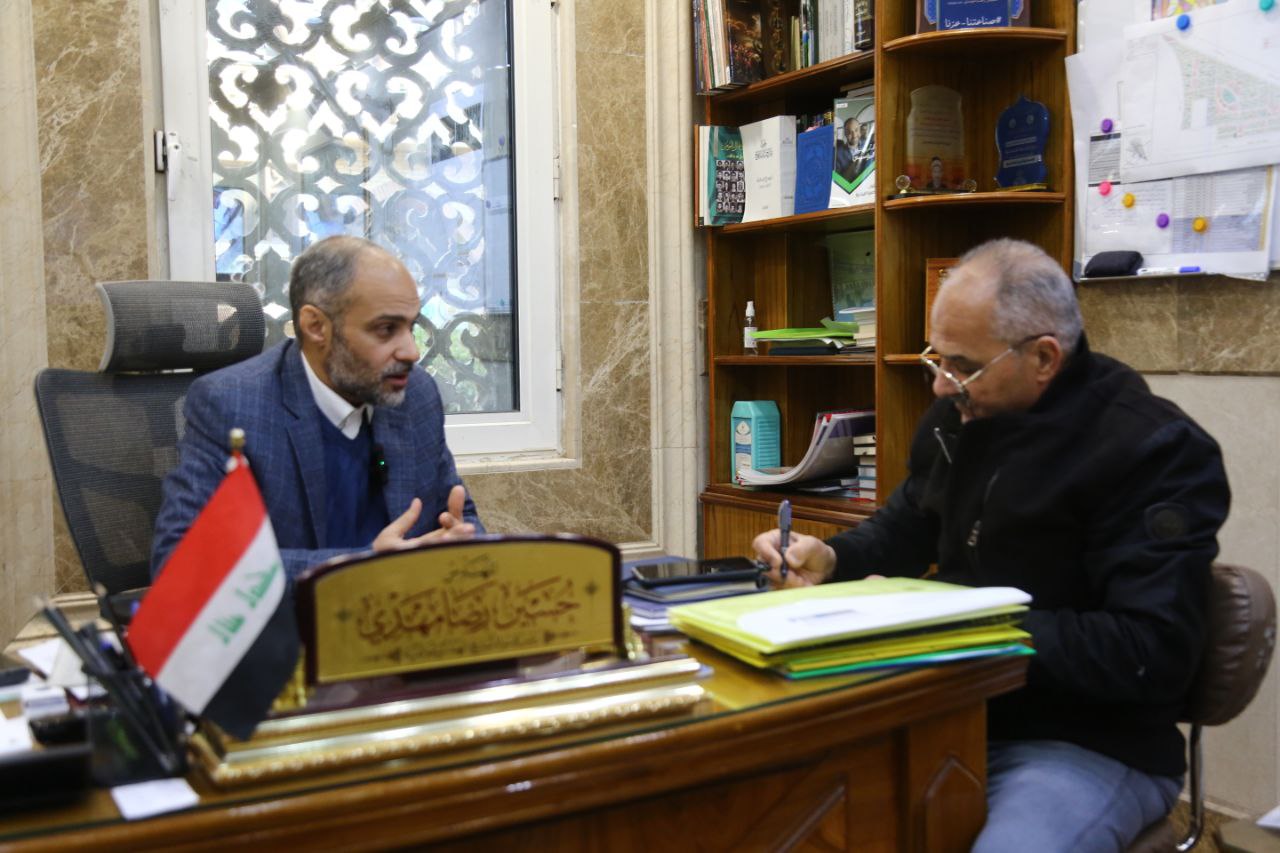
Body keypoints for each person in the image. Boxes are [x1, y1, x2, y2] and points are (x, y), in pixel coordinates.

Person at [752, 238, 1230, 852]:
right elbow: (904, 529)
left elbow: (1150, 652)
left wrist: (955, 622)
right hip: (942, 712)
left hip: (1086, 742)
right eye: (937, 359)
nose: (940, 386)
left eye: (963, 366)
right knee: (775, 807)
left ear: (1044, 357)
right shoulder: (961, 417)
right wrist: (834, 558)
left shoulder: (1154, 451)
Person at [153, 235, 483, 580]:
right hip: (300, 613)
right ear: (316, 326)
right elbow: (182, 559)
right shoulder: (232, 404)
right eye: (386, 329)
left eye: (410, 327)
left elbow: (459, 515)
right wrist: (363, 567)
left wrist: (461, 542)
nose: (411, 352)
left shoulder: (415, 395)